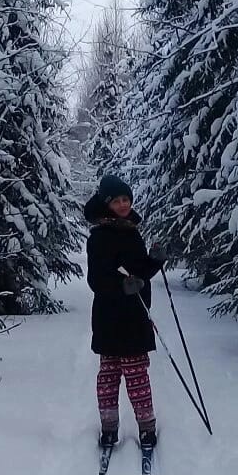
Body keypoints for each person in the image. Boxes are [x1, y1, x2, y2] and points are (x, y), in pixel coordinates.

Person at [84, 172, 163, 449]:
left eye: (126, 199)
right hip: (109, 317)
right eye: (116, 200)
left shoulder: (131, 231)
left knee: (137, 374)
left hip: (136, 314)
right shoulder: (99, 237)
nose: (123, 204)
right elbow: (96, 280)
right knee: (109, 375)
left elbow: (140, 273)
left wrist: (155, 261)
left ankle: (147, 428)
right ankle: (109, 429)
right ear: (107, 204)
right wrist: (121, 286)